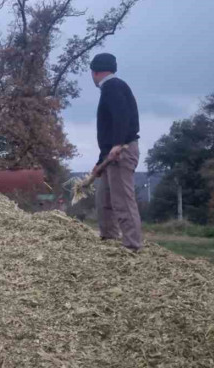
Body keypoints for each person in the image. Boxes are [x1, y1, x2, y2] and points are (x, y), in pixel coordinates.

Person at [90, 53, 143, 251]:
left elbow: (122, 117)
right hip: (110, 155)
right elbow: (109, 129)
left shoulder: (113, 87)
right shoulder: (111, 88)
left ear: (94, 72)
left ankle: (132, 246)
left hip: (122, 151)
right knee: (103, 198)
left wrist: (118, 144)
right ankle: (109, 238)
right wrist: (100, 161)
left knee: (122, 200)